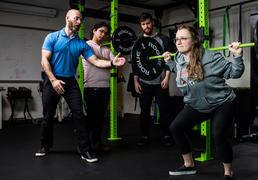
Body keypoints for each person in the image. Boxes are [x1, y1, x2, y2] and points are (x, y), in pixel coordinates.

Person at [36, 9, 125, 163]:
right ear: (67, 18)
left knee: (79, 115)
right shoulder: (52, 37)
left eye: (80, 19)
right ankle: (45, 146)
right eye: (76, 18)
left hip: (70, 82)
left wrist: (112, 63)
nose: (78, 22)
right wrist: (53, 80)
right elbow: (44, 60)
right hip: (52, 80)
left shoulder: (81, 44)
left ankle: (85, 150)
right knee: (47, 117)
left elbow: (96, 61)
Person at [162, 25, 244, 180]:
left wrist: (237, 56)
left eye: (183, 38)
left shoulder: (212, 58)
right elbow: (180, 72)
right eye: (177, 39)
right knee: (176, 127)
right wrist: (169, 62)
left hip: (222, 102)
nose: (178, 42)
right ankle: (189, 165)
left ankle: (229, 172)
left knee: (217, 134)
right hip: (198, 104)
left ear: (194, 41)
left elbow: (235, 72)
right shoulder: (178, 58)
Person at [133, 12, 174, 147]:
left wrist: (167, 78)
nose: (146, 26)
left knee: (165, 110)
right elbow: (136, 63)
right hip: (144, 82)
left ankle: (167, 135)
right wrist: (136, 81)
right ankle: (144, 136)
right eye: (143, 24)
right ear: (141, 25)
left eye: (148, 23)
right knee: (144, 111)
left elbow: (169, 60)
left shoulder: (164, 39)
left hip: (160, 81)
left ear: (153, 23)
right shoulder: (138, 41)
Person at [81, 22, 113, 152]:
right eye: (101, 31)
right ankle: (83, 145)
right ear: (94, 31)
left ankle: (97, 143)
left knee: (100, 119)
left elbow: (114, 64)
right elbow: (95, 60)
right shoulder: (86, 45)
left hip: (105, 88)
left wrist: (114, 62)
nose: (103, 34)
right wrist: (109, 62)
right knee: (91, 119)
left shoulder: (107, 50)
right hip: (91, 87)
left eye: (105, 33)